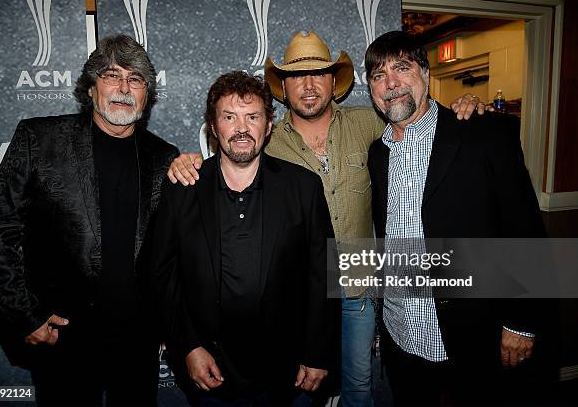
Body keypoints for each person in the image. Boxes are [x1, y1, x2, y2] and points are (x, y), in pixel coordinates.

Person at [167, 31, 487, 407]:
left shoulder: (370, 122)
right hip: (300, 298)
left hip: (358, 285)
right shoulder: (267, 136)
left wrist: (465, 105)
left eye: (319, 73)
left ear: (334, 82)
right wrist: (185, 162)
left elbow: (417, 117)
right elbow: (230, 146)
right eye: (296, 76)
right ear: (282, 88)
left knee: (358, 387)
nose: (308, 85)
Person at [0, 34, 179, 407]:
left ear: (147, 95)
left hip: (137, 342)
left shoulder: (164, 157)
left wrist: (170, 320)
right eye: (111, 75)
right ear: (89, 87)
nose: (123, 88)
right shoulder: (40, 139)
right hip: (63, 339)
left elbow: (174, 250)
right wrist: (25, 316)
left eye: (136, 79)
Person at [365, 30, 547, 406]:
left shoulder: (484, 134)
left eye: (402, 68)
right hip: (401, 332)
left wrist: (521, 322)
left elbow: (525, 231)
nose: (391, 83)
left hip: (470, 333)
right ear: (371, 88)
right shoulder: (377, 153)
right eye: (379, 75)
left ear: (426, 74)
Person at [150, 71, 339, 407]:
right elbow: (164, 276)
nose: (241, 128)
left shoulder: (303, 187)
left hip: (287, 370)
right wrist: (188, 346)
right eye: (229, 117)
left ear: (268, 126)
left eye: (252, 117)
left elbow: (324, 275)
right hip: (208, 368)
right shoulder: (182, 189)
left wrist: (318, 352)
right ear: (213, 126)